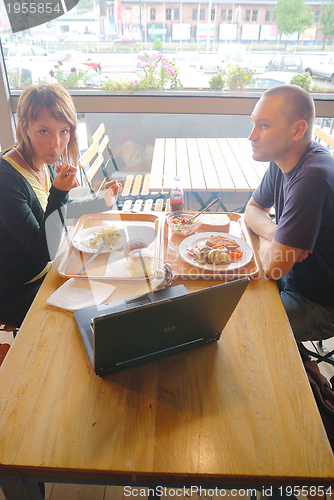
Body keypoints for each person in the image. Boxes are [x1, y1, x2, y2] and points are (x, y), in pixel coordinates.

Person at [0, 83, 123, 328]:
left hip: (49, 272)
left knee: (115, 285)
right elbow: (43, 248)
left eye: (64, 131)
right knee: (97, 316)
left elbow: (52, 214)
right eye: (44, 131)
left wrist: (102, 201)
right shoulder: (6, 179)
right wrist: (59, 192)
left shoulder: (39, 162)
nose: (56, 143)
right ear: (24, 126)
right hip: (18, 291)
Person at [244, 84, 334, 347]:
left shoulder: (312, 177)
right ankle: (303, 363)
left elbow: (273, 267)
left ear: (297, 130)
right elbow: (251, 210)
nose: (251, 135)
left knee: (242, 325)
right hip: (292, 279)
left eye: (263, 126)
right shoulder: (283, 159)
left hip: (320, 301)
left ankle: (303, 378)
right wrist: (277, 233)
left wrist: (278, 248)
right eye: (253, 124)